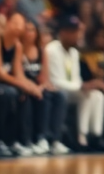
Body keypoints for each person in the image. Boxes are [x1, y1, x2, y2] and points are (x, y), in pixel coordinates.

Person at [0, 11, 42, 158]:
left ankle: (18, 141)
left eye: (21, 24)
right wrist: (22, 85)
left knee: (23, 94)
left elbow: (18, 73)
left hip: (2, 85)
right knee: (9, 93)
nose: (18, 27)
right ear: (7, 24)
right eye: (15, 22)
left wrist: (31, 87)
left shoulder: (17, 46)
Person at [46, 17, 104, 152]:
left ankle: (95, 136)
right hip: (57, 90)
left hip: (71, 90)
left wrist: (84, 86)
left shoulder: (74, 52)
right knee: (87, 94)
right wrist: (82, 86)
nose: (79, 36)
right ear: (64, 32)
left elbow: (76, 79)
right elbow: (55, 81)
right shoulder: (51, 49)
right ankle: (81, 137)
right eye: (75, 32)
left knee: (97, 95)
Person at [20, 18, 69, 154]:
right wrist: (33, 88)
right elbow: (18, 74)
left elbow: (44, 77)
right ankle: (40, 138)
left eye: (32, 30)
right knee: (43, 97)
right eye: (27, 30)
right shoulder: (18, 49)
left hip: (38, 87)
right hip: (23, 85)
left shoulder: (42, 51)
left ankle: (54, 140)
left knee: (59, 95)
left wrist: (41, 86)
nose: (29, 33)